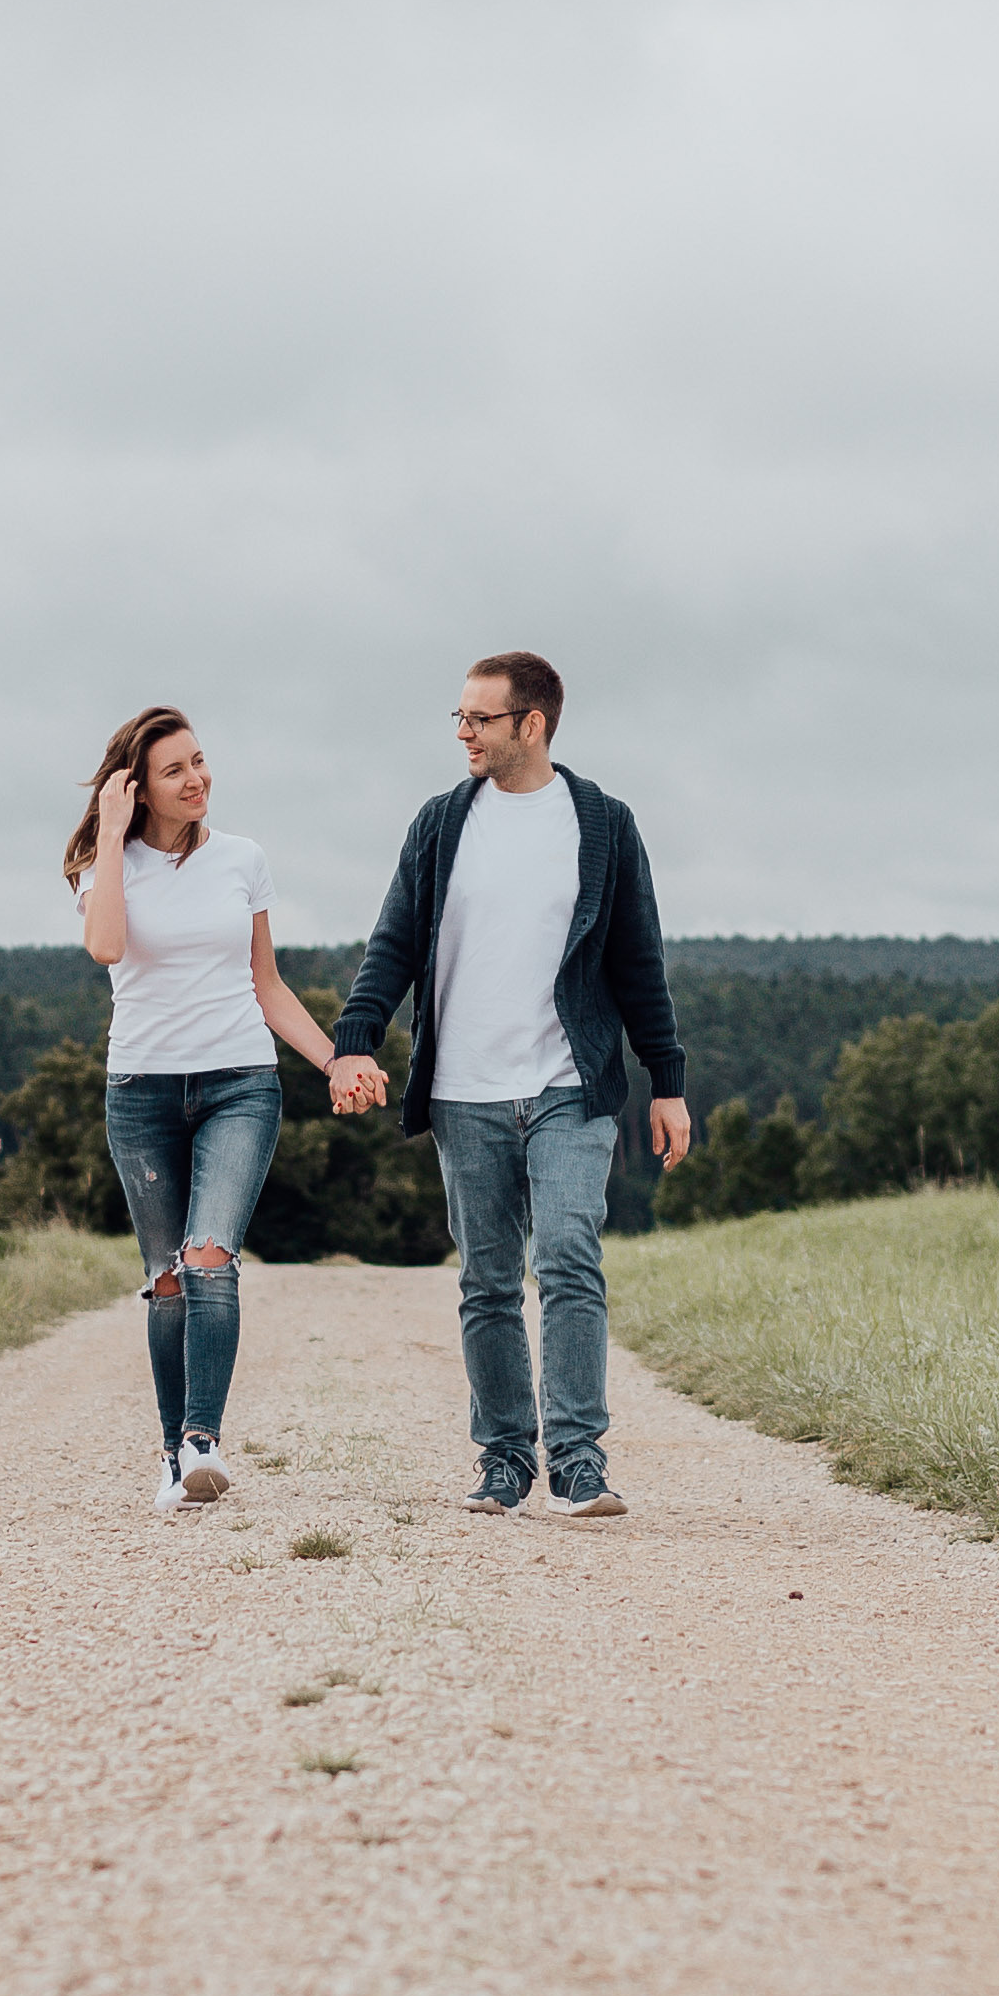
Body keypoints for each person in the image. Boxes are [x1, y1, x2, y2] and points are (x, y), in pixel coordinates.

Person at [327, 650, 690, 1519]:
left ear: (531, 724)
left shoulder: (602, 822)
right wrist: (353, 1038)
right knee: (487, 1279)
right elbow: (393, 945)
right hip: (464, 1088)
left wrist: (666, 1080)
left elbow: (639, 960)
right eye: (458, 717)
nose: (461, 732)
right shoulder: (441, 823)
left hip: (572, 1082)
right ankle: (503, 1457)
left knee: (568, 1254)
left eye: (477, 719)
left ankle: (576, 1458)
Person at [69, 705, 353, 1514]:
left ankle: (201, 1438)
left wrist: (332, 1060)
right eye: (173, 770)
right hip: (142, 1091)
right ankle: (169, 1455)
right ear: (137, 786)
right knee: (164, 1280)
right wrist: (116, 833)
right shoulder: (100, 868)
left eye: (199, 761)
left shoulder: (242, 859)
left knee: (207, 1256)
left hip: (238, 1081)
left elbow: (266, 984)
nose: (196, 779)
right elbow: (107, 947)